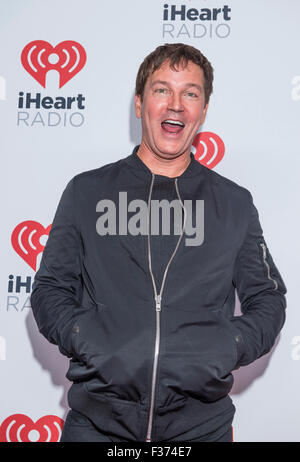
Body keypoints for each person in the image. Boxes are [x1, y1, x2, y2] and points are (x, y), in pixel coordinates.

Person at [30, 43, 287, 443]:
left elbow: (269, 299)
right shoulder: (87, 192)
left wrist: (225, 347)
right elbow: (50, 290)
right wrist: (92, 342)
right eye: (162, 89)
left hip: (201, 428)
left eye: (190, 93)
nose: (176, 105)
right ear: (139, 104)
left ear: (202, 111)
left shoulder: (234, 203)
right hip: (98, 425)